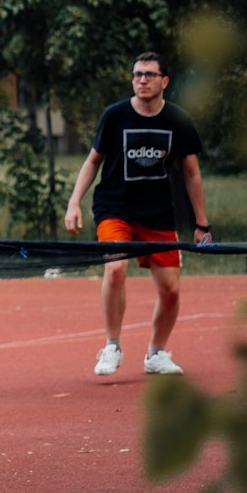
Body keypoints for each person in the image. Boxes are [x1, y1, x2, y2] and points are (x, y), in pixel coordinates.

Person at [64, 51, 211, 379]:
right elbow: (92, 161)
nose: (142, 80)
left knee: (170, 290)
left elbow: (192, 174)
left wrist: (202, 223)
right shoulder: (115, 115)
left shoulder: (178, 120)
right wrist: (74, 203)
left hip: (158, 214)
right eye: (137, 75)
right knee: (115, 268)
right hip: (114, 208)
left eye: (149, 74)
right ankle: (112, 345)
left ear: (165, 81)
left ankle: (156, 354)